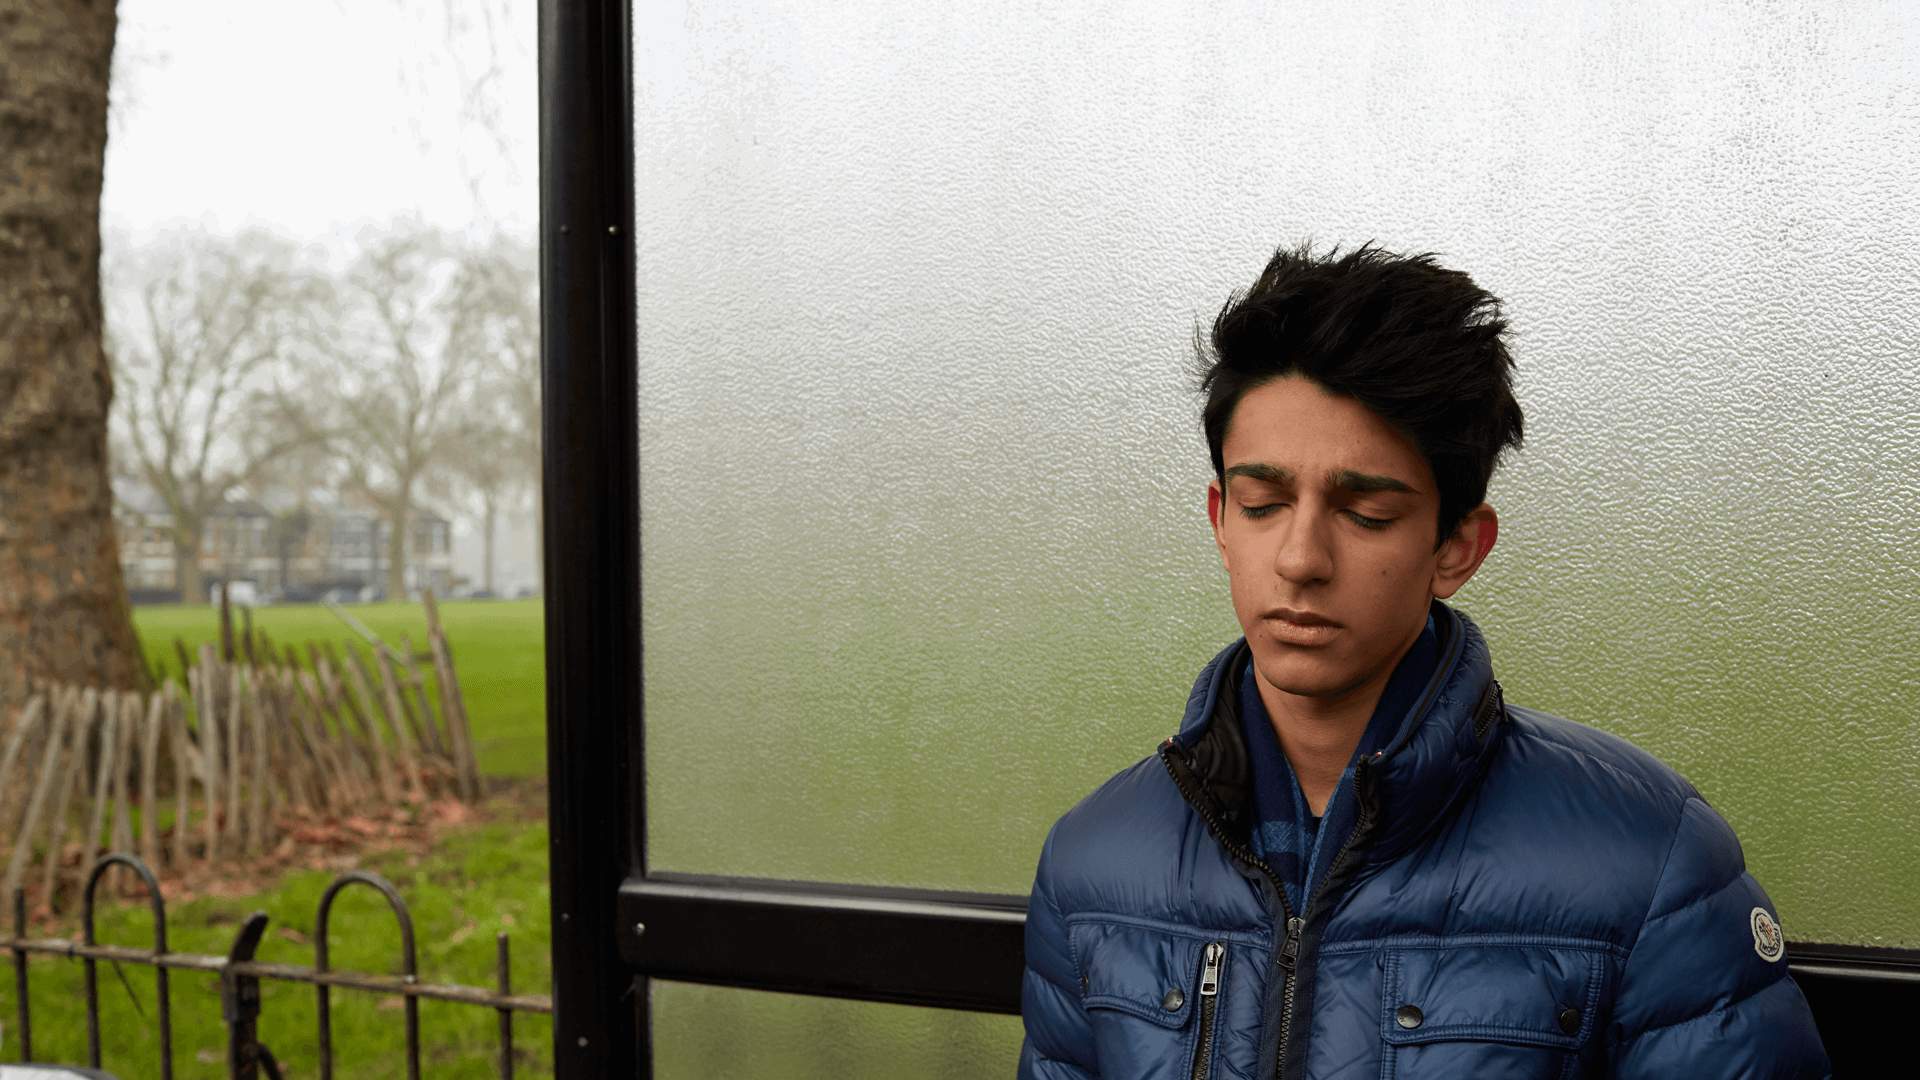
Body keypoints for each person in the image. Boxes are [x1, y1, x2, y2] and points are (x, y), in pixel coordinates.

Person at [1016, 244, 1830, 1079]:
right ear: (1221, 519)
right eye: (1263, 505)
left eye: (1365, 513)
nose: (1300, 558)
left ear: (1457, 548)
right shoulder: (1093, 862)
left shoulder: (1649, 860)